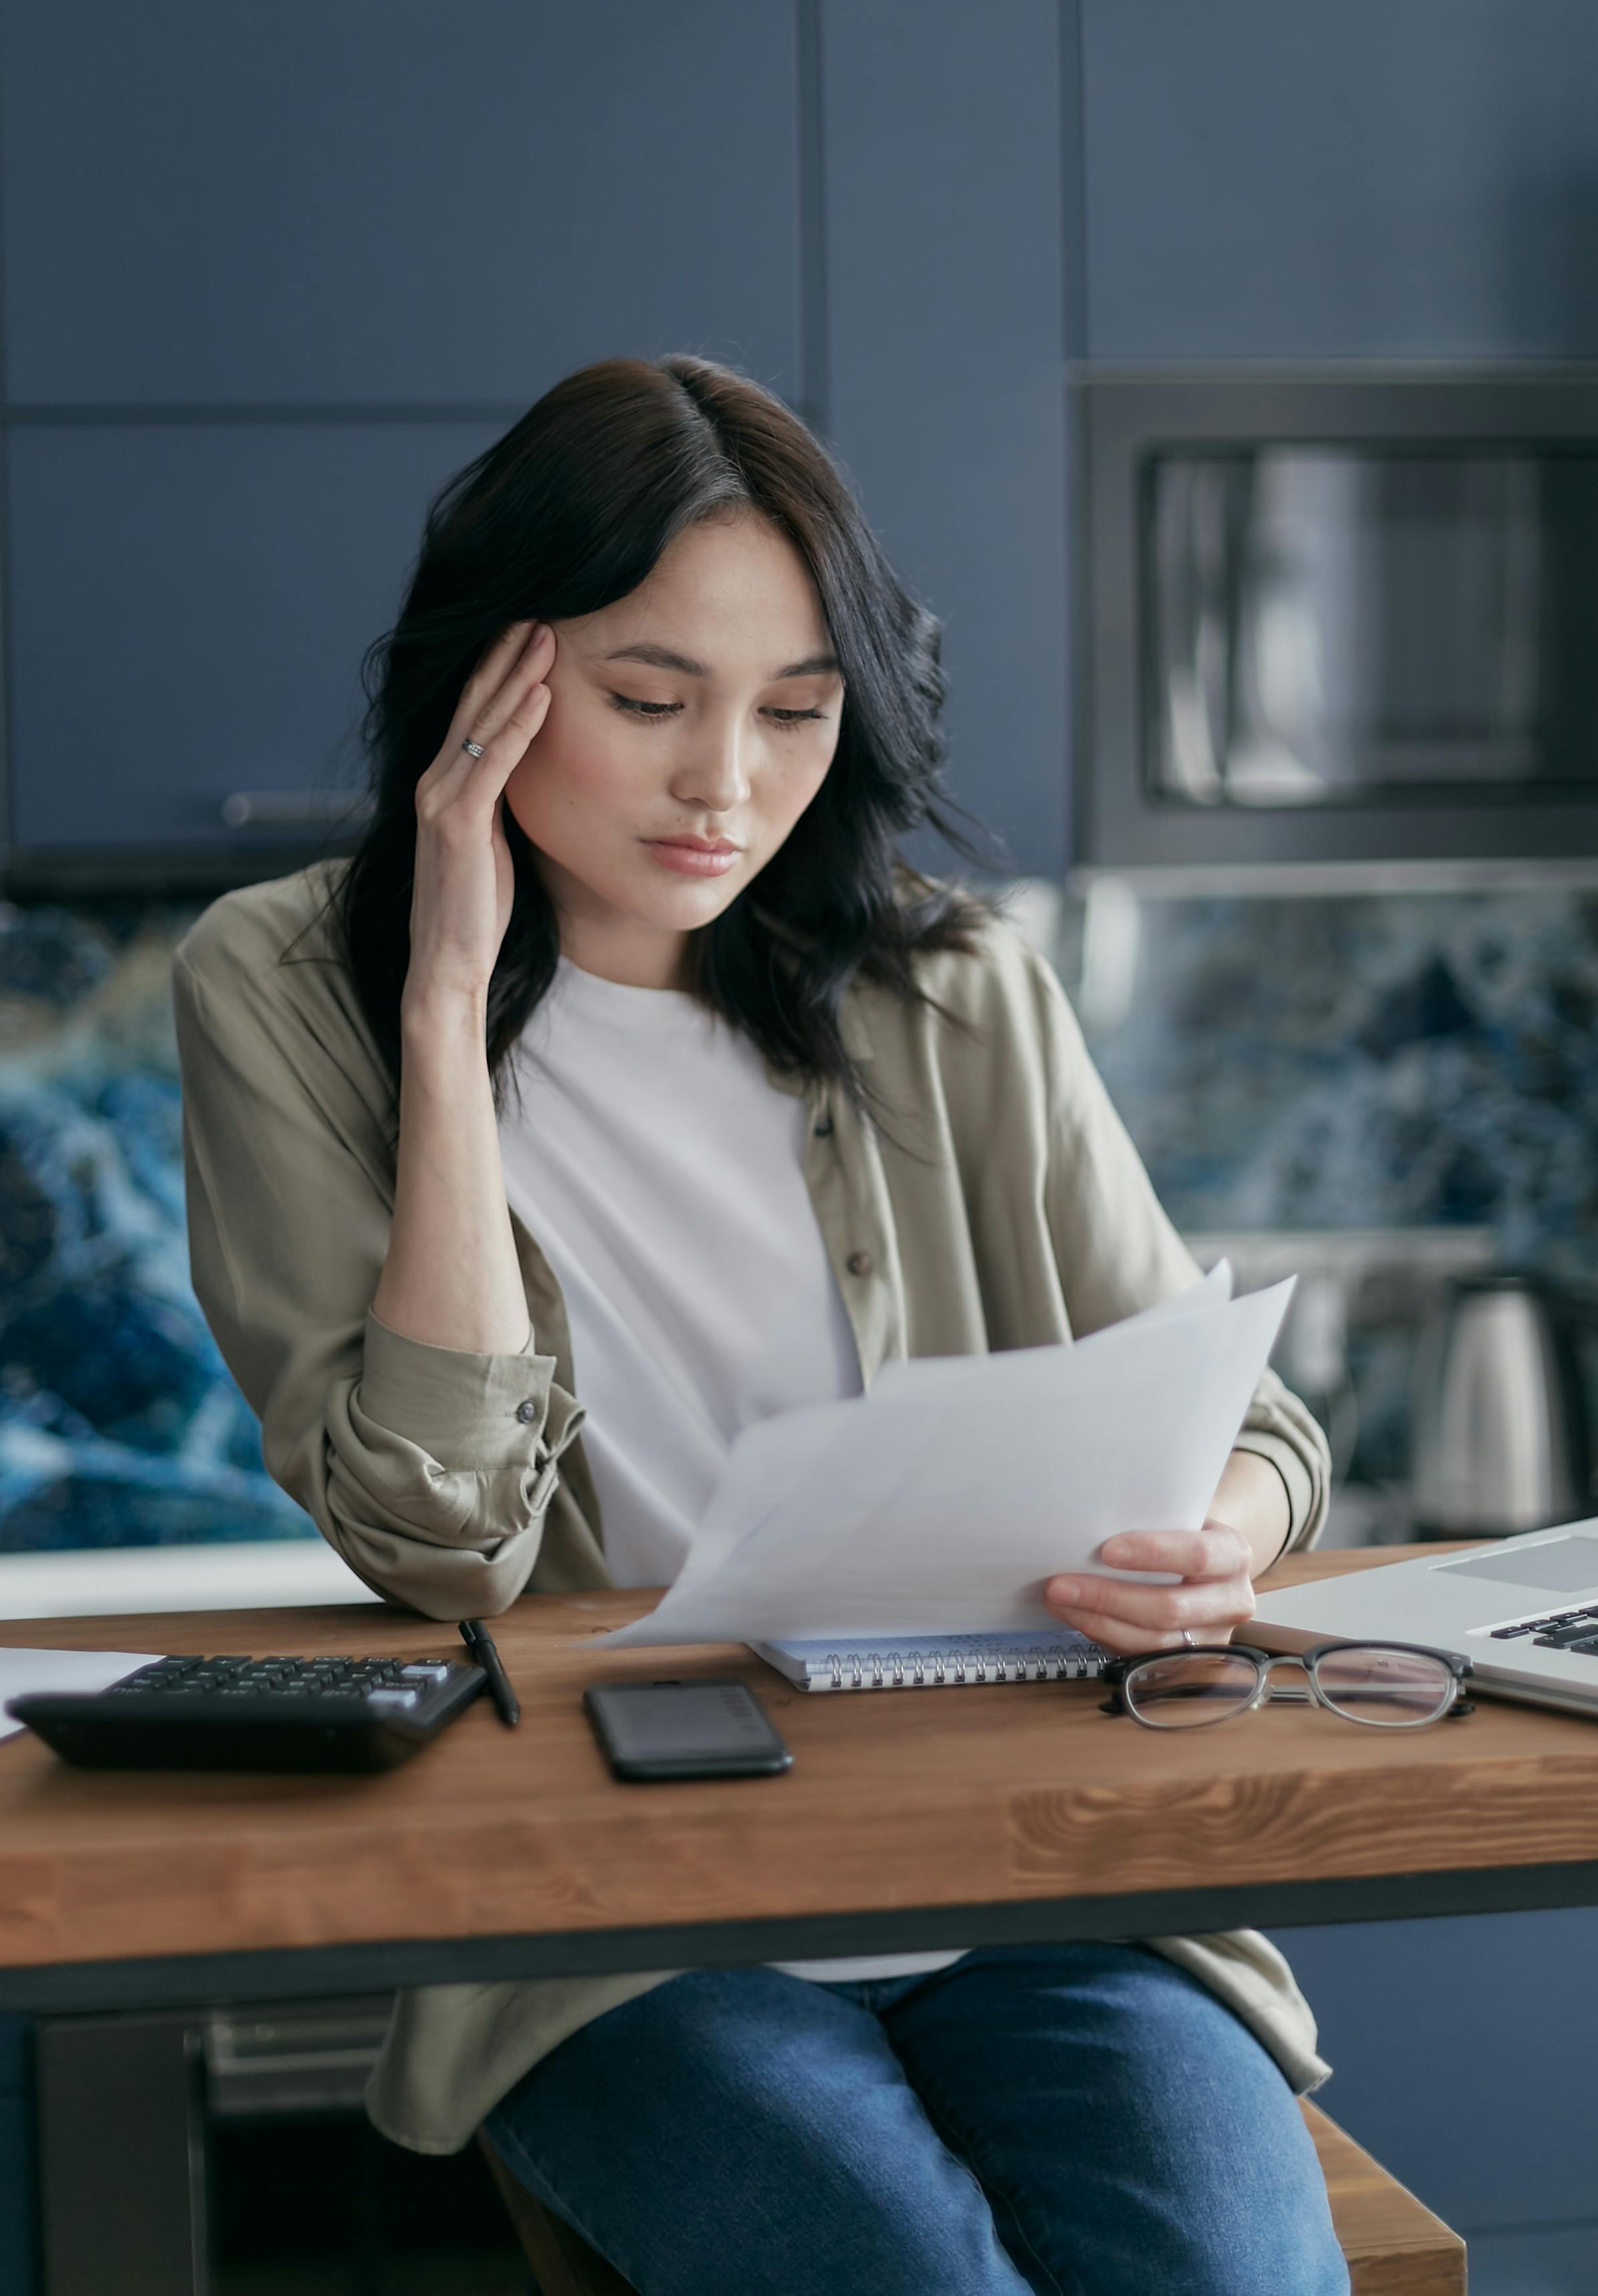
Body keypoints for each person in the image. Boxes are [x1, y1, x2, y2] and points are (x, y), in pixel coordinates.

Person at [173, 355, 1347, 2295]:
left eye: (797, 714)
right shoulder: (287, 988)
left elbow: (1267, 1430)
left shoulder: (952, 985)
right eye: (651, 703)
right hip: (615, 1927)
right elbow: (432, 1534)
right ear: (493, 677)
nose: (729, 784)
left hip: (1020, 1870)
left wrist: (1215, 1533)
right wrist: (449, 1006)